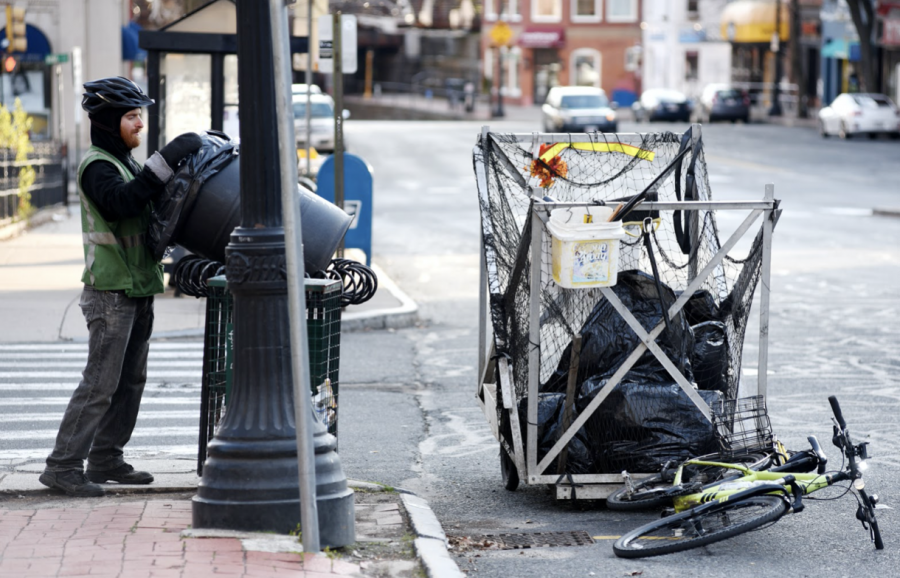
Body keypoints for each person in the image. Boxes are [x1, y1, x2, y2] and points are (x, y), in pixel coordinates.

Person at [39, 77, 203, 497]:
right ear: (110, 122)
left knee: (130, 381)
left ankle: (107, 458)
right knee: (99, 384)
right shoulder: (97, 166)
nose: (139, 125)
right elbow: (122, 202)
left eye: (139, 117)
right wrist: (164, 161)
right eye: (132, 117)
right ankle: (62, 466)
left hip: (137, 288)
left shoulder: (125, 163)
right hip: (110, 292)